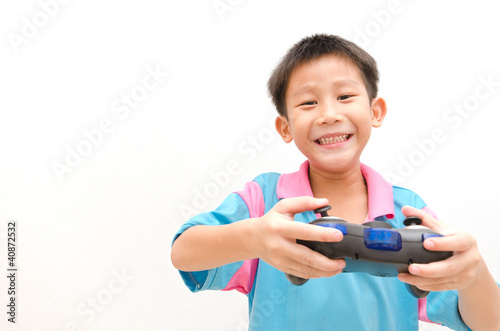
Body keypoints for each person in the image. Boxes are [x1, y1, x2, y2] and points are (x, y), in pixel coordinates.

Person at [171, 34, 500, 330]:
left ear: (376, 111)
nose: (328, 114)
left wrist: (475, 274)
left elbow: (489, 323)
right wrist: (254, 238)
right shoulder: (266, 202)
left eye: (344, 96)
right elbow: (183, 252)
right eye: (308, 102)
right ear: (285, 127)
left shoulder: (407, 211)